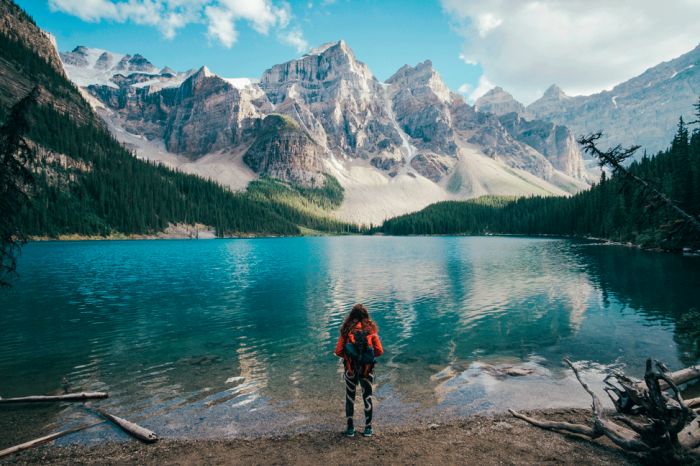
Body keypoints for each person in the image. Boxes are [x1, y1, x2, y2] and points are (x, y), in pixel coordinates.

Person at [334, 303, 384, 437]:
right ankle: (368, 428)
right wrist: (367, 357)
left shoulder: (346, 330)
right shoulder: (371, 330)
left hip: (350, 369)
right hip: (367, 370)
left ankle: (350, 429)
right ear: (365, 316)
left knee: (350, 397)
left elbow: (338, 351)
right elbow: (379, 351)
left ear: (351, 316)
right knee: (367, 396)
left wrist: (349, 356)